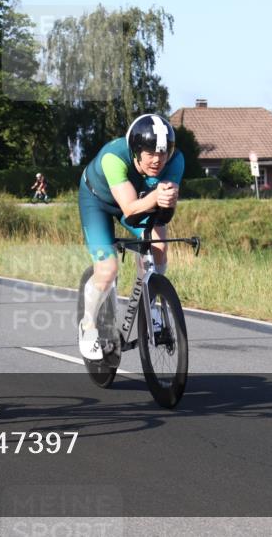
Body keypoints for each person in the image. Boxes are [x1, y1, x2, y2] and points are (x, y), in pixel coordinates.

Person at [77, 113, 184, 360]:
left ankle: (152, 304)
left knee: (158, 246)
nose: (158, 160)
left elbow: (163, 216)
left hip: (139, 202)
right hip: (99, 202)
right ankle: (88, 326)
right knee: (107, 269)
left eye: (163, 152)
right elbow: (129, 208)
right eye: (150, 153)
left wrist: (167, 201)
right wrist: (157, 197)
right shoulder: (113, 158)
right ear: (136, 150)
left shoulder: (176, 160)